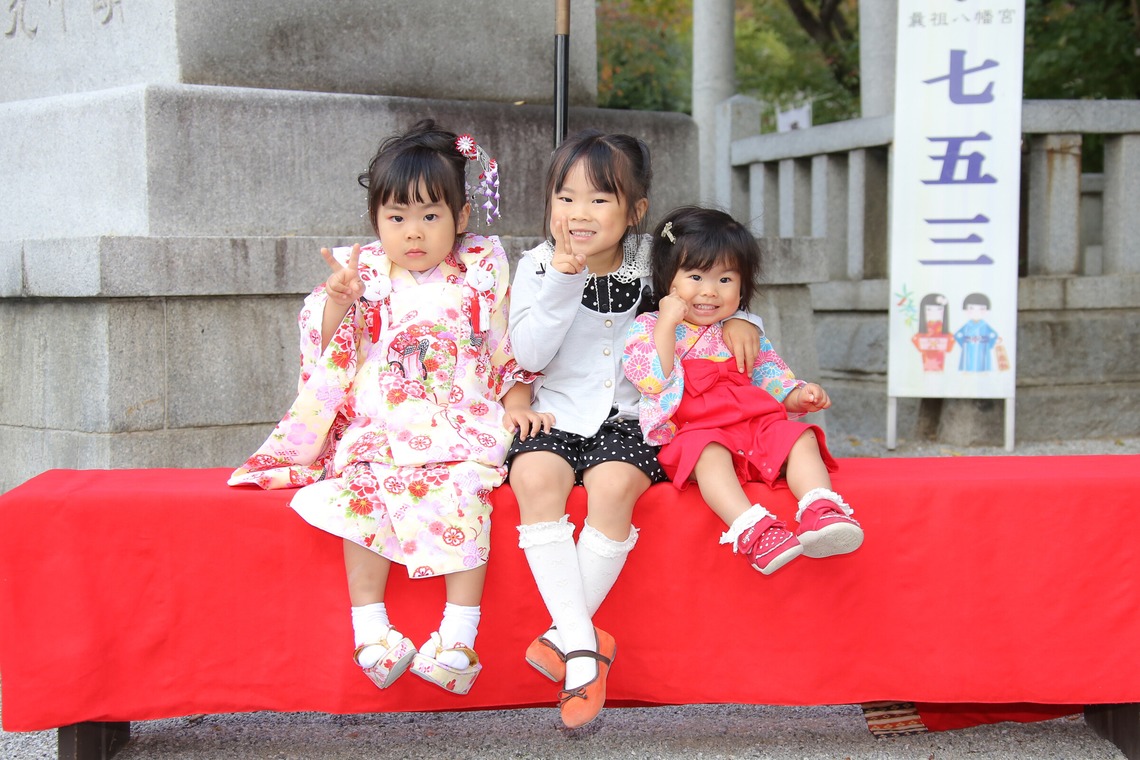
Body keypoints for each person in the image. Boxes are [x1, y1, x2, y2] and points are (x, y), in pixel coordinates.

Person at [229, 120, 549, 696]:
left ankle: (457, 637)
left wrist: (517, 402)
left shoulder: (480, 272)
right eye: (396, 218)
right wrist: (336, 302)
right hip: (384, 422)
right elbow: (328, 350)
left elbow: (504, 349)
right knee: (359, 497)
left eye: (431, 216)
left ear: (462, 217)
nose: (414, 232)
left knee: (464, 492)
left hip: (458, 419)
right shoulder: (366, 274)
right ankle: (372, 631)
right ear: (376, 221)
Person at [506, 132, 763, 729]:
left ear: (635, 210)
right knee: (533, 475)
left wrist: (744, 317)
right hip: (556, 408)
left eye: (599, 200)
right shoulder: (537, 265)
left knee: (615, 486)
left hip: (637, 413)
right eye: (564, 198)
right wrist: (562, 282)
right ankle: (582, 649)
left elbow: (712, 284)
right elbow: (528, 351)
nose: (577, 214)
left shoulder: (657, 258)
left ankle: (562, 643)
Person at [623, 206, 864, 577]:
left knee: (800, 438)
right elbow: (652, 380)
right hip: (698, 431)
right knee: (708, 453)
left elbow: (770, 373)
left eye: (725, 280)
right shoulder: (649, 326)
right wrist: (667, 322)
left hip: (753, 425)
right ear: (667, 278)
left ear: (743, 284)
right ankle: (754, 529)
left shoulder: (741, 329)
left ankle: (820, 508)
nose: (709, 291)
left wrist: (797, 395)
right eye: (695, 276)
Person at [912, 293, 955, 371]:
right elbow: (915, 339)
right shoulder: (924, 327)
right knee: (927, 367)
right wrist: (923, 344)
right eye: (929, 309)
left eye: (939, 309)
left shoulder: (942, 328)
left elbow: (951, 340)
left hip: (939, 353)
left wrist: (944, 344)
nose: (934, 312)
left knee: (939, 368)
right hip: (927, 353)